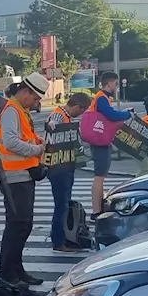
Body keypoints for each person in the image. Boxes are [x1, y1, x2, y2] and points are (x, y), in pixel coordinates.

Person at [0, 73, 51, 287]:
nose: (37, 103)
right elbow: (10, 142)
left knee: (23, 225)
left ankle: (16, 269)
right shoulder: (12, 110)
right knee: (17, 225)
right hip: (14, 177)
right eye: (36, 98)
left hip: (23, 175)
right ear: (26, 92)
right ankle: (8, 273)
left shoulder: (20, 110)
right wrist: (35, 149)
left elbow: (21, 138)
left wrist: (37, 141)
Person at [45, 92, 92, 253]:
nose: (81, 114)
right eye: (82, 111)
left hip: (65, 166)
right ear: (78, 107)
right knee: (61, 205)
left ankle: (62, 238)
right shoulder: (59, 116)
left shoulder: (65, 117)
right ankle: (58, 242)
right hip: (59, 168)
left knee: (63, 204)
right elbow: (52, 123)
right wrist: (50, 125)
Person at [88, 71, 134, 217]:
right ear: (109, 83)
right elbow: (111, 115)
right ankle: (96, 211)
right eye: (115, 83)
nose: (116, 87)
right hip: (100, 140)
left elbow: (110, 114)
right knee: (99, 175)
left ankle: (98, 208)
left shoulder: (102, 98)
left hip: (100, 139)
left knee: (101, 174)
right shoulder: (102, 98)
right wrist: (127, 115)